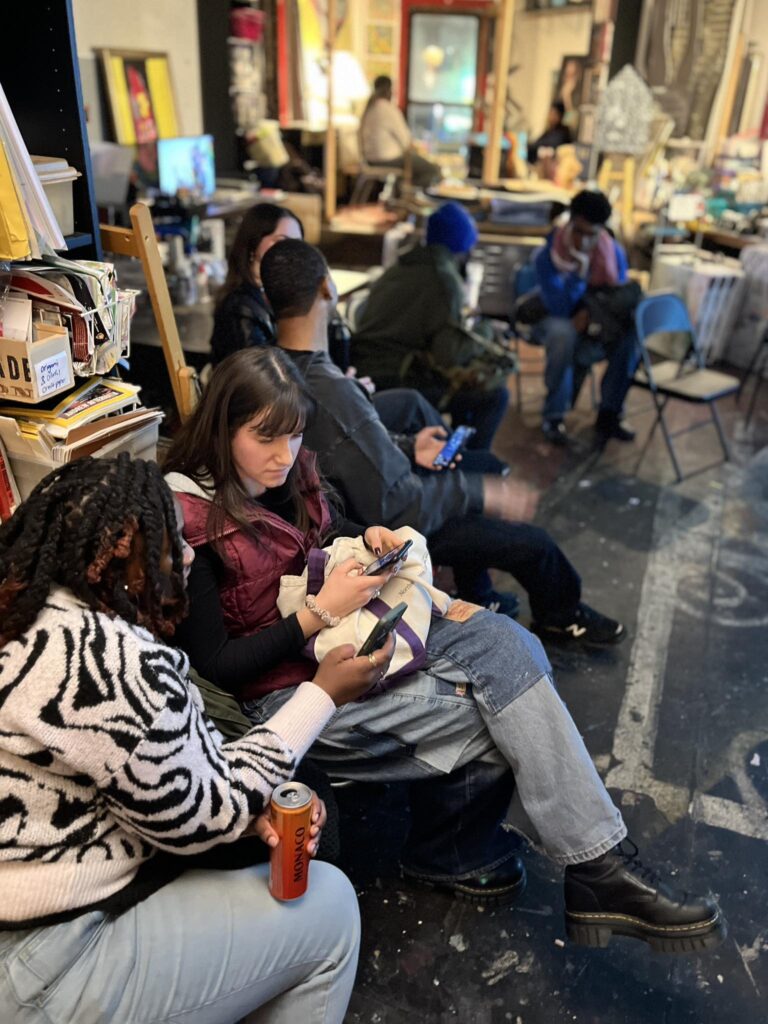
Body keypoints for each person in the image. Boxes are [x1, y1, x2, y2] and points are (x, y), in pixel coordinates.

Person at [164, 348, 724, 955]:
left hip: (347, 633)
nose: (284, 454)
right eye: (265, 437)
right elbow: (219, 666)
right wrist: (318, 612)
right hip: (291, 696)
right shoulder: (191, 523)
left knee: (512, 642)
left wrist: (363, 537)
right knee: (502, 712)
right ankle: (531, 861)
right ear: (222, 427)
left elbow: (322, 533)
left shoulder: (291, 474)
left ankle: (583, 864)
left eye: (295, 435)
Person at [0, 454, 380, 1024]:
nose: (185, 556)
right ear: (116, 559)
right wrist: (322, 695)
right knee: (331, 908)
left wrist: (241, 811)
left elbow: (146, 773)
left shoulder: (25, 611)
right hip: (43, 962)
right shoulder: (115, 664)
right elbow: (206, 813)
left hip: (27, 899)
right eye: (170, 544)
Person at [263, 237, 625, 641]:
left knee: (476, 463)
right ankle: (561, 614)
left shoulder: (278, 366)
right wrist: (479, 493)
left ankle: (480, 590)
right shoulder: (329, 392)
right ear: (326, 288)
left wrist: (408, 446)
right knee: (532, 542)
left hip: (368, 500)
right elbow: (399, 505)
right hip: (386, 530)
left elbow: (353, 447)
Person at [352, 201, 512, 451]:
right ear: (462, 248)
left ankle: (453, 450)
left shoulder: (396, 270)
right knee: (492, 396)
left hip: (364, 374)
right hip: (400, 379)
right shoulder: (443, 279)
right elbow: (449, 355)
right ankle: (462, 458)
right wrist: (486, 330)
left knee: (467, 387)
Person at [533, 189, 641, 445]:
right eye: (579, 231)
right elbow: (558, 305)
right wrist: (579, 274)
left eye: (592, 234)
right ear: (570, 222)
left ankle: (610, 413)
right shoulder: (549, 254)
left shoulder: (612, 251)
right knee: (563, 333)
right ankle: (554, 416)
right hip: (554, 317)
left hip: (594, 319)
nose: (584, 240)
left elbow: (615, 297)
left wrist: (590, 313)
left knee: (631, 335)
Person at [209, 202, 303, 365]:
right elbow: (257, 373)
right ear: (253, 242)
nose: (292, 251)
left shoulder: (281, 294)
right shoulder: (239, 307)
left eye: (298, 244)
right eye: (281, 241)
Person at [360, 75, 441, 190]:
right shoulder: (388, 109)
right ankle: (405, 193)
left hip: (370, 160)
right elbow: (405, 140)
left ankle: (399, 190)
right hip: (387, 159)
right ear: (390, 90)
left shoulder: (370, 109)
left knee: (416, 164)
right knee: (432, 170)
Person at [527, 100, 573, 165]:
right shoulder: (550, 131)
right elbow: (536, 144)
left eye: (553, 113)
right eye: (550, 113)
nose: (549, 116)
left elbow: (547, 146)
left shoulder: (561, 134)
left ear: (559, 116)